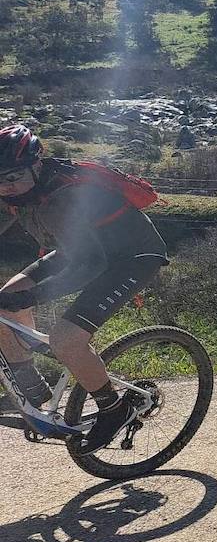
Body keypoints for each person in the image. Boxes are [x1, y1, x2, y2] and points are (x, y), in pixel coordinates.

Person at [0, 124, 168, 452]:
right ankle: (36, 394)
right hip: (80, 249)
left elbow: (91, 266)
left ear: (36, 165)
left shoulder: (66, 197)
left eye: (12, 176)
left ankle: (114, 409)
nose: (6, 187)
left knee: (65, 337)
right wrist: (18, 298)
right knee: (5, 302)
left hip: (131, 257)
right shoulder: (17, 192)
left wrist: (32, 297)